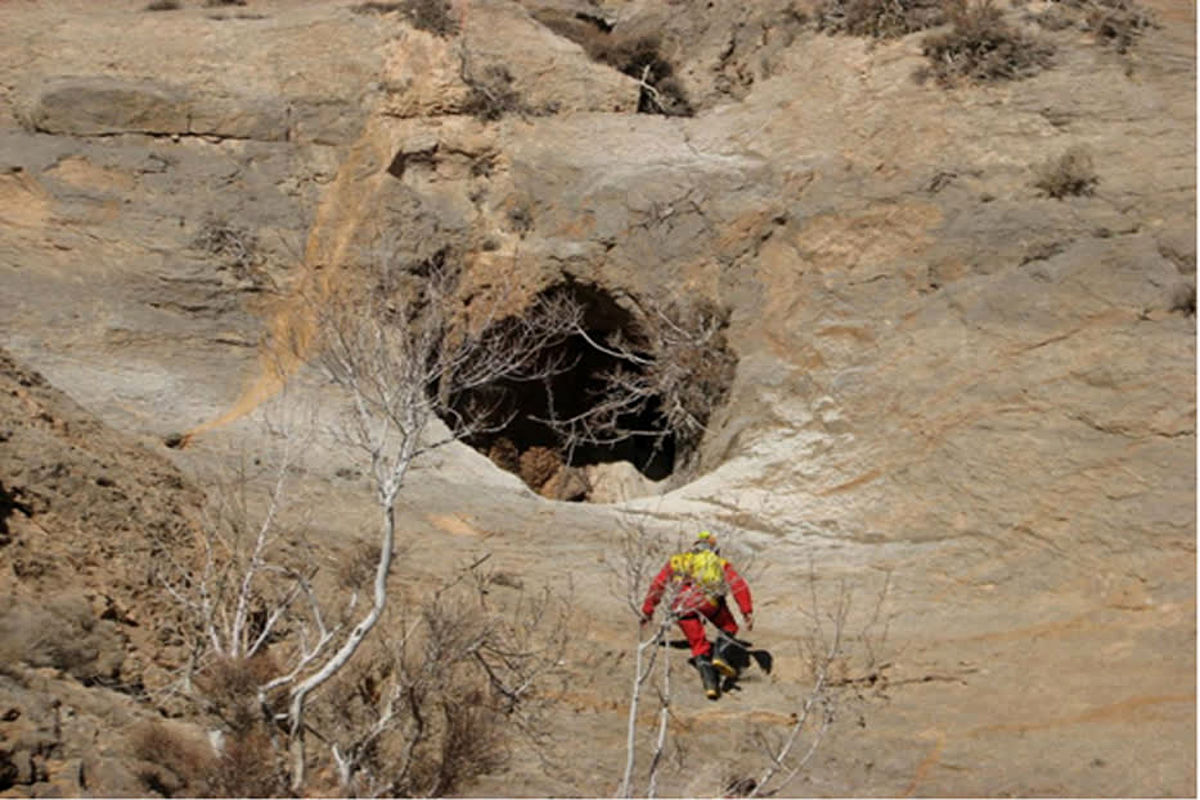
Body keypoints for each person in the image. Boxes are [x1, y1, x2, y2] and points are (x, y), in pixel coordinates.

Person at [639, 530, 754, 699]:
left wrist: (648, 611)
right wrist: (746, 611)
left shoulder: (677, 561)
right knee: (729, 626)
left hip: (681, 606)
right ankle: (719, 656)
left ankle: (711, 687)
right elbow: (739, 585)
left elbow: (657, 586)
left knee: (698, 645)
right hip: (709, 602)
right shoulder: (719, 563)